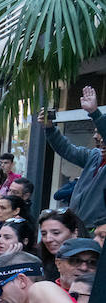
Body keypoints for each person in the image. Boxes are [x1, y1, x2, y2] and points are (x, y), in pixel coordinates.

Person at [42, 88, 106, 228]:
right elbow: (67, 150)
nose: (96, 136)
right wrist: (50, 128)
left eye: (100, 132)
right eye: (95, 132)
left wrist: (94, 113)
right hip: (77, 227)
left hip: (97, 232)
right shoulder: (94, 156)